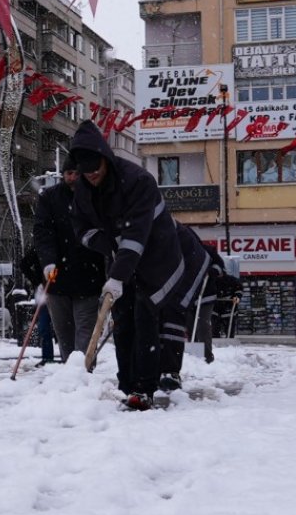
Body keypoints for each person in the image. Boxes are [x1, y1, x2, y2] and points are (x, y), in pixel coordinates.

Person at [66, 121, 210, 410]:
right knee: (122, 318)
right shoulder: (83, 189)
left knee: (145, 316)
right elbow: (82, 230)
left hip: (158, 256)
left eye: (96, 168)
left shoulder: (137, 181)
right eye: (86, 171)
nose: (92, 175)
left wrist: (118, 274)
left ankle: (144, 389)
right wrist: (109, 246)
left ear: (105, 159)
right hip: (122, 256)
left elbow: (136, 235)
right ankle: (127, 384)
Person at [32, 159, 106, 363]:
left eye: (76, 173)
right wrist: (48, 261)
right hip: (58, 279)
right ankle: (70, 371)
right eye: (68, 173)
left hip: (89, 277)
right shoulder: (50, 197)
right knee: (64, 335)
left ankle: (84, 371)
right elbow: (42, 232)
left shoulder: (95, 196)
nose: (72, 178)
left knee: (85, 334)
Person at [18, 246, 55, 365]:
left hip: (61, 292)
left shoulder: (59, 245)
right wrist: (37, 282)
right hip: (43, 291)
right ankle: (47, 357)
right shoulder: (40, 248)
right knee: (44, 326)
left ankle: (70, 357)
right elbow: (24, 265)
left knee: (64, 326)